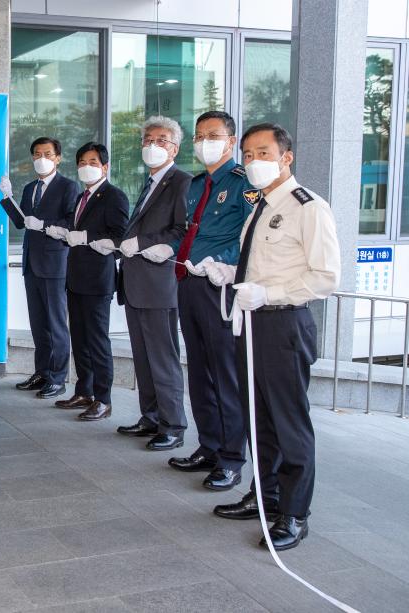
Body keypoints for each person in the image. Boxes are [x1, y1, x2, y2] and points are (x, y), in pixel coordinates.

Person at [211, 123, 340, 551]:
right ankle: (265, 497)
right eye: (247, 155)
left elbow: (325, 277)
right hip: (253, 322)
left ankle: (295, 513)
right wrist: (230, 272)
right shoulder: (259, 206)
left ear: (286, 157)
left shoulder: (308, 207)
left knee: (289, 422)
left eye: (263, 153)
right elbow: (261, 265)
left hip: (284, 323)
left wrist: (271, 293)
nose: (253, 162)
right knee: (259, 418)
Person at [167, 111, 254, 491]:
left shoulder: (243, 183)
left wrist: (222, 262)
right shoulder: (196, 184)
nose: (205, 142)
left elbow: (250, 236)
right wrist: (168, 249)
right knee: (200, 370)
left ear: (231, 141)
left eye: (213, 135)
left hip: (219, 285)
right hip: (189, 281)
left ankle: (232, 458)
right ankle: (209, 446)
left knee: (224, 375)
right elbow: (190, 231)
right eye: (200, 135)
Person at [115, 116, 190, 451]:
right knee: (143, 358)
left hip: (159, 285)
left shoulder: (181, 182)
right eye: (147, 140)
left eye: (161, 140)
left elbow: (183, 231)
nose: (152, 146)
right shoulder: (150, 182)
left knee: (162, 358)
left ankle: (173, 425)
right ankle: (151, 416)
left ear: (174, 148)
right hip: (136, 283)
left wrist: (144, 243)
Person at [44, 142, 128, 418]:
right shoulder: (82, 197)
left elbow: (120, 238)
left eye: (93, 162)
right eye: (82, 162)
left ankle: (103, 399)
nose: (86, 167)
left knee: (97, 341)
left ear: (105, 167)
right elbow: (75, 231)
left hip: (97, 280)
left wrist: (87, 238)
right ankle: (84, 391)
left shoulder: (114, 196)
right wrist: (64, 233)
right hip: (76, 278)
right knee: (79, 340)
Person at [0, 137, 80, 400]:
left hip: (55, 264)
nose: (41, 158)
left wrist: (44, 225)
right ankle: (42, 372)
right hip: (32, 263)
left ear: (58, 158)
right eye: (36, 154)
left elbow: (71, 222)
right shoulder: (30, 188)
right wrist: (7, 198)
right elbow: (21, 222)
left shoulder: (69, 186)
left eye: (47, 153)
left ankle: (58, 378)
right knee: (38, 323)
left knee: (56, 324)